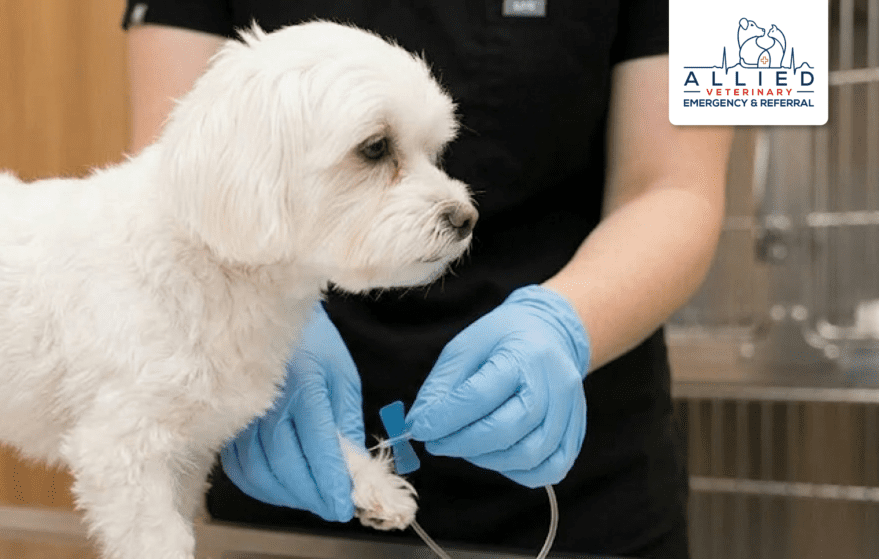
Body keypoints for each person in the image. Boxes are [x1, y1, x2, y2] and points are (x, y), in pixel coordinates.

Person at [122, 2, 733, 558]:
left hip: (582, 482)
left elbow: (682, 190)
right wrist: (270, 329)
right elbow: (174, 169)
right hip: (294, 463)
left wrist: (564, 326)